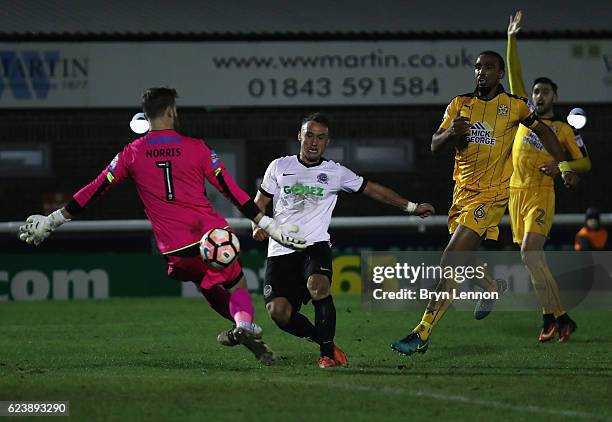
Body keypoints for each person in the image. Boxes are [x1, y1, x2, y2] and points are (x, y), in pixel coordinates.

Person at [18, 87, 306, 365]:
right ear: (171, 111)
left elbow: (95, 189)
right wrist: (266, 222)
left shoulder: (131, 153)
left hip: (176, 248)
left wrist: (54, 219)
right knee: (235, 282)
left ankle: (242, 325)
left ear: (146, 115)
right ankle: (244, 323)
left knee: (204, 282)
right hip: (211, 234)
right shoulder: (198, 148)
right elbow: (232, 191)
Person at [391, 50, 575, 356]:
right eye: (478, 67)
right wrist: (451, 132)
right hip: (462, 193)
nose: (481, 72)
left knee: (450, 260)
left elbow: (543, 130)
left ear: (499, 74)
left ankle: (421, 332)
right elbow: (434, 144)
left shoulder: (515, 107)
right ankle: (491, 287)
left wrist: (565, 166)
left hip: (491, 196)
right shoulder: (459, 104)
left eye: (489, 67)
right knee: (463, 258)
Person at [246, 112, 434, 368]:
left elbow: (373, 189)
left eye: (320, 138)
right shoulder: (279, 166)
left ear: (327, 142)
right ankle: (324, 341)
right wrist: (257, 223)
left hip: (315, 246)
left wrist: (411, 207)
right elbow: (260, 202)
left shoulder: (334, 172)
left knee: (318, 285)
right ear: (299, 136)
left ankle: (326, 355)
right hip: (281, 251)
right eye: (309, 135)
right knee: (278, 313)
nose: (314, 142)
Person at [506, 11, 591, 342]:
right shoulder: (523, 115)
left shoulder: (563, 130)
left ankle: (554, 318)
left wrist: (563, 167)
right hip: (516, 193)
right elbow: (514, 76)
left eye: (545, 92)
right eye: (536, 91)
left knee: (530, 254)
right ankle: (556, 318)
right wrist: (511, 38)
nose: (539, 96)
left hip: (541, 193)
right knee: (531, 260)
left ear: (555, 97)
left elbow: (585, 164)